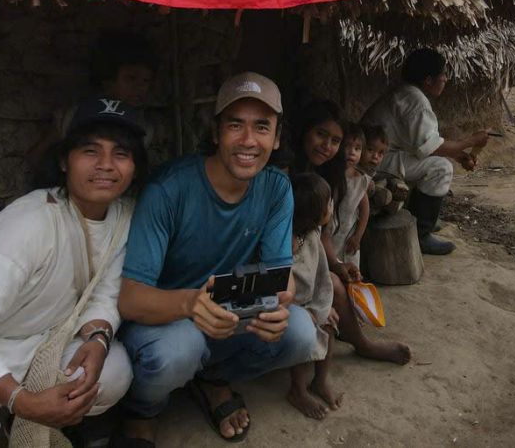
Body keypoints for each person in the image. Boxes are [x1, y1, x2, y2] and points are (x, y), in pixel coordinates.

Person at [0, 98, 147, 447]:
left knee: (112, 371)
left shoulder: (122, 219)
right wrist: (26, 401)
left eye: (121, 153)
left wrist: (97, 338)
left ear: (136, 166)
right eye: (90, 151)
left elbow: (104, 294)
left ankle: (20, 420)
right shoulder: (28, 225)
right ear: (64, 160)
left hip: (42, 344)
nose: (106, 165)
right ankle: (7, 410)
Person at [116, 73, 318, 445]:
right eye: (235, 125)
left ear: (276, 138)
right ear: (215, 133)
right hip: (164, 317)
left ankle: (212, 379)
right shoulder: (169, 189)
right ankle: (142, 410)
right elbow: (130, 298)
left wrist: (278, 299)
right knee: (180, 349)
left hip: (227, 310)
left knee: (300, 333)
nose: (247, 140)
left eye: (261, 127)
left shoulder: (275, 188)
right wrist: (192, 303)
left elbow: (279, 276)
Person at [291, 101, 411, 366]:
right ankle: (362, 344)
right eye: (321, 135)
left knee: (338, 279)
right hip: (286, 258)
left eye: (335, 140)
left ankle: (357, 341)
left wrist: (337, 263)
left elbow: (322, 232)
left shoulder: (329, 176)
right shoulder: (287, 175)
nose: (327, 146)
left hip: (310, 254)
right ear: (304, 132)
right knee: (333, 285)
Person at [362, 49, 490, 255]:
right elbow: (433, 148)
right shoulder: (415, 102)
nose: (446, 79)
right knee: (442, 168)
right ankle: (422, 233)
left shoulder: (406, 93)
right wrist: (471, 141)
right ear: (429, 80)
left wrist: (460, 154)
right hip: (376, 161)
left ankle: (422, 217)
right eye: (443, 75)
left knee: (436, 163)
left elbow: (422, 145)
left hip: (380, 156)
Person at [26, 30, 158, 169]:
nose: (139, 87)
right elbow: (37, 157)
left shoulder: (143, 126)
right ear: (108, 81)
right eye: (130, 78)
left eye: (146, 81)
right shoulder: (72, 116)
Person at [287, 172, 341, 420]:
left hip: (311, 302)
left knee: (329, 325)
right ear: (314, 212)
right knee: (303, 335)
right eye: (329, 203)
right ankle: (297, 390)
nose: (332, 207)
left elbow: (321, 277)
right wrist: (305, 312)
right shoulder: (286, 242)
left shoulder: (313, 235)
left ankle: (320, 380)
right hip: (290, 307)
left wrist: (322, 308)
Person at [331, 122, 371, 268]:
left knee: (350, 269)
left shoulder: (360, 181)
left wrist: (358, 236)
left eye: (357, 148)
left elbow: (365, 210)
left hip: (348, 235)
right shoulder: (332, 175)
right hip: (330, 231)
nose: (352, 152)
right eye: (347, 146)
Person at [360, 124, 403, 214]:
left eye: (380, 153)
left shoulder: (371, 170)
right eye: (370, 150)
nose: (375, 156)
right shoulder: (354, 171)